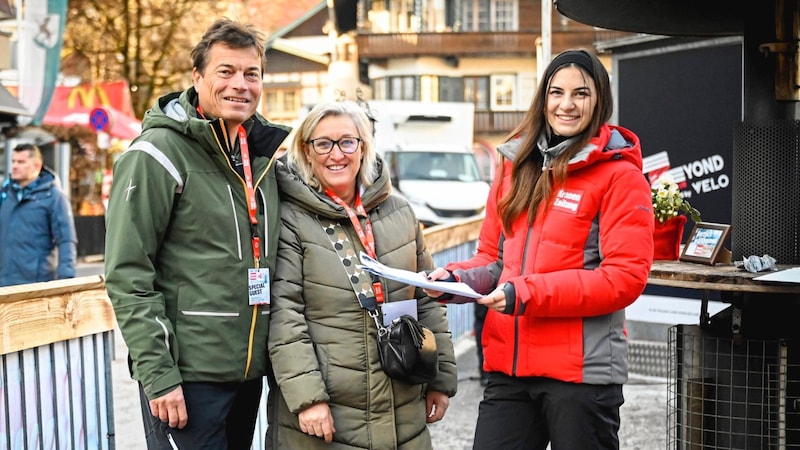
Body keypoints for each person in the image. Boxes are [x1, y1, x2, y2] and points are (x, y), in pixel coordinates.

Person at [425, 49, 654, 449]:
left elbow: (623, 280)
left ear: (599, 100)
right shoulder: (515, 168)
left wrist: (524, 293)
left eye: (580, 94)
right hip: (510, 370)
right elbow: (494, 261)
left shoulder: (621, 177)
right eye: (556, 92)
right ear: (542, 98)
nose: (566, 104)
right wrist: (456, 280)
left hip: (581, 379)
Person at [103, 18, 290, 449]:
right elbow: (128, 275)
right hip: (187, 379)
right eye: (225, 71)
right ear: (198, 77)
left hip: (247, 373)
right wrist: (159, 375)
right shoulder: (155, 155)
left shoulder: (259, 157)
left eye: (251, 73)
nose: (239, 85)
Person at [266, 100, 458, 449]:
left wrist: (441, 378)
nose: (336, 154)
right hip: (329, 413)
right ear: (307, 151)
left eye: (347, 142)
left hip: (403, 406)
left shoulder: (399, 212)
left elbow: (427, 300)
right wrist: (308, 399)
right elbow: (284, 315)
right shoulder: (290, 219)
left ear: (363, 147)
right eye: (323, 143)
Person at [0, 143, 77, 286]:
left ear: (37, 166)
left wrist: (66, 280)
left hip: (36, 286)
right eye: (13, 161)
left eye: (21, 162)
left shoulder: (54, 197)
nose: (15, 166)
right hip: (4, 283)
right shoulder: (5, 194)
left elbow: (66, 240)